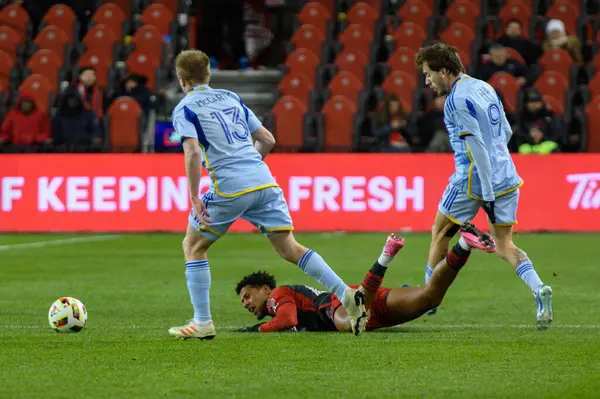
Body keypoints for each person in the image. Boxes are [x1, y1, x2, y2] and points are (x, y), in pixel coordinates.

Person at [168, 49, 367, 340]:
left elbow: (193, 151)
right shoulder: (230, 97)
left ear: (181, 79)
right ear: (208, 75)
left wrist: (194, 196)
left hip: (229, 185)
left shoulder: (185, 107)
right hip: (264, 181)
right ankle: (345, 294)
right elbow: (267, 139)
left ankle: (202, 322)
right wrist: (252, 170)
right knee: (291, 248)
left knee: (193, 247)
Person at [414, 43, 553, 330]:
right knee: (504, 243)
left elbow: (475, 145)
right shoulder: (484, 87)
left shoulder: (455, 101)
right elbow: (506, 130)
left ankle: (427, 297)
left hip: (473, 178)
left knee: (440, 231)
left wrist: (486, 191)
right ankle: (539, 289)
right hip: (506, 172)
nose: (427, 81)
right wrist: (497, 164)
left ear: (443, 71)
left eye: (428, 74)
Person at [236, 223, 496, 333]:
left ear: (264, 288)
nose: (246, 303)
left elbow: (288, 319)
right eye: (243, 302)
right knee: (430, 297)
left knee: (351, 320)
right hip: (374, 312)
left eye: (248, 295)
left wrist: (254, 329)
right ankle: (464, 244)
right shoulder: (275, 300)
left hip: (335, 306)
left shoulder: (278, 295)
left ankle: (385, 256)